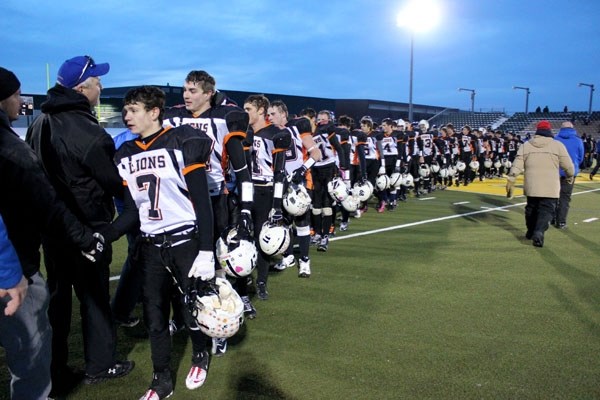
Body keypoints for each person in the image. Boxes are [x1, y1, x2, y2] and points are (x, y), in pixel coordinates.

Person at [25, 55, 134, 391]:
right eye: (97, 80)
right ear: (82, 87)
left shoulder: (39, 121)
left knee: (57, 301)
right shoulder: (86, 129)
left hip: (53, 228)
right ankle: (101, 364)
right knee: (94, 298)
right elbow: (113, 181)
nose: (101, 85)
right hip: (87, 228)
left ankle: (56, 368)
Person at [102, 86, 216, 399]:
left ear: (154, 112)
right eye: (125, 111)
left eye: (134, 110)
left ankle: (200, 354)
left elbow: (202, 202)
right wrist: (105, 235)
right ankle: (161, 379)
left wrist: (206, 250)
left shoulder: (182, 141)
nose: (127, 116)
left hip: (184, 240)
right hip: (150, 244)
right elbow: (132, 212)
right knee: (154, 317)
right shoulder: (125, 153)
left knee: (194, 307)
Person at [0, 66, 105, 399]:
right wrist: (86, 238)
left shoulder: (39, 124)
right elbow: (45, 200)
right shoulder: (10, 148)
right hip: (17, 267)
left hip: (36, 247)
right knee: (30, 360)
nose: (21, 100)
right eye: (16, 94)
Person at [163, 70, 255, 355]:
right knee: (179, 264)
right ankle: (180, 316)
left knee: (213, 267)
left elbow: (242, 171)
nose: (186, 95)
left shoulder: (225, 118)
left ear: (209, 93)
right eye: (185, 90)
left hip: (215, 199)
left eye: (192, 90)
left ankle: (220, 322)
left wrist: (247, 210)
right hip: (180, 201)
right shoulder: (172, 118)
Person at [244, 94, 290, 299]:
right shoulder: (242, 133)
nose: (245, 114)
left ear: (261, 110)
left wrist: (277, 204)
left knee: (261, 238)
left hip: (265, 190)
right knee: (241, 236)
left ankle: (261, 281)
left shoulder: (276, 134)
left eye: (249, 110)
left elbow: (279, 172)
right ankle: (242, 283)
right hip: (244, 190)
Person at [268, 100, 322, 277]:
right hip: (280, 182)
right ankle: (288, 256)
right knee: (282, 222)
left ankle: (305, 260)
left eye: (273, 114)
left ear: (284, 114)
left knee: (301, 222)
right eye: (267, 114)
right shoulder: (269, 132)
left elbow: (316, 154)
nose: (269, 117)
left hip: (300, 183)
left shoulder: (298, 127)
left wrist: (303, 169)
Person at [506, 120, 575, 247]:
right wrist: (570, 177)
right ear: (549, 131)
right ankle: (539, 231)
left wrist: (512, 176)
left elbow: (517, 163)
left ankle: (531, 231)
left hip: (532, 184)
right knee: (547, 210)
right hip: (550, 185)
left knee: (531, 208)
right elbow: (569, 166)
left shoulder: (526, 145)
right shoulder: (557, 145)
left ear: (537, 131)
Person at [553, 121, 584, 229]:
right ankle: (561, 222)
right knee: (565, 198)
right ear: (572, 128)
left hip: (555, 171)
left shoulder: (555, 139)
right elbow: (580, 157)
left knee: (553, 195)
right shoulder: (578, 141)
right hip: (570, 172)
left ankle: (551, 218)